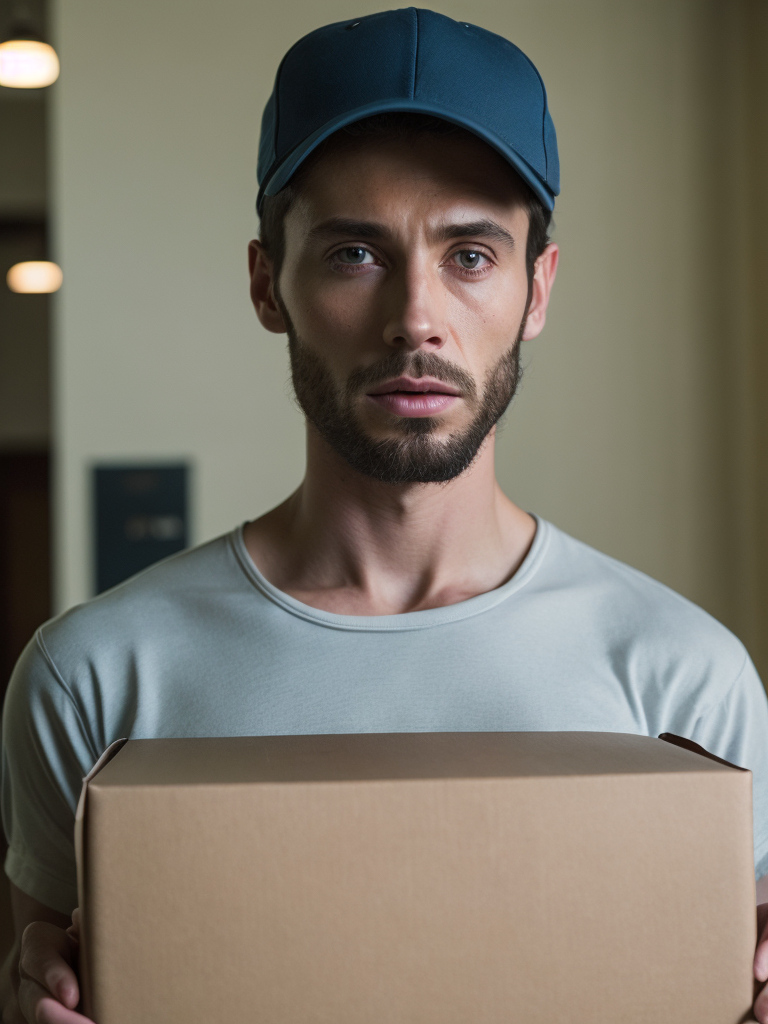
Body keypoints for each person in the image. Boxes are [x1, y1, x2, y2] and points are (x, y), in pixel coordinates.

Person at [3, 8, 768, 1023]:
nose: (416, 315)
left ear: (539, 288)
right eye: (355, 253)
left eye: (471, 255)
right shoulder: (96, 676)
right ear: (267, 282)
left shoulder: (684, 682)